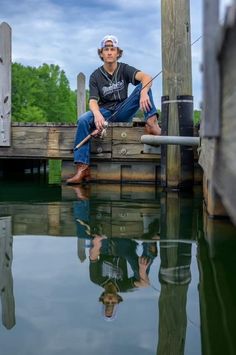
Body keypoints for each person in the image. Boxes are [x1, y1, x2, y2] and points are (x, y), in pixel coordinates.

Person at [66, 34, 161, 184]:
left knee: (144, 86)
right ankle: (82, 168)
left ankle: (151, 123)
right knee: (83, 120)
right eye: (106, 49)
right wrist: (97, 115)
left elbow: (147, 77)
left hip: (123, 110)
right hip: (105, 112)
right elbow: (92, 101)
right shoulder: (95, 76)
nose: (109, 52)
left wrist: (143, 92)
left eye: (112, 49)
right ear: (101, 54)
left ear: (118, 53)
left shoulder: (124, 69)